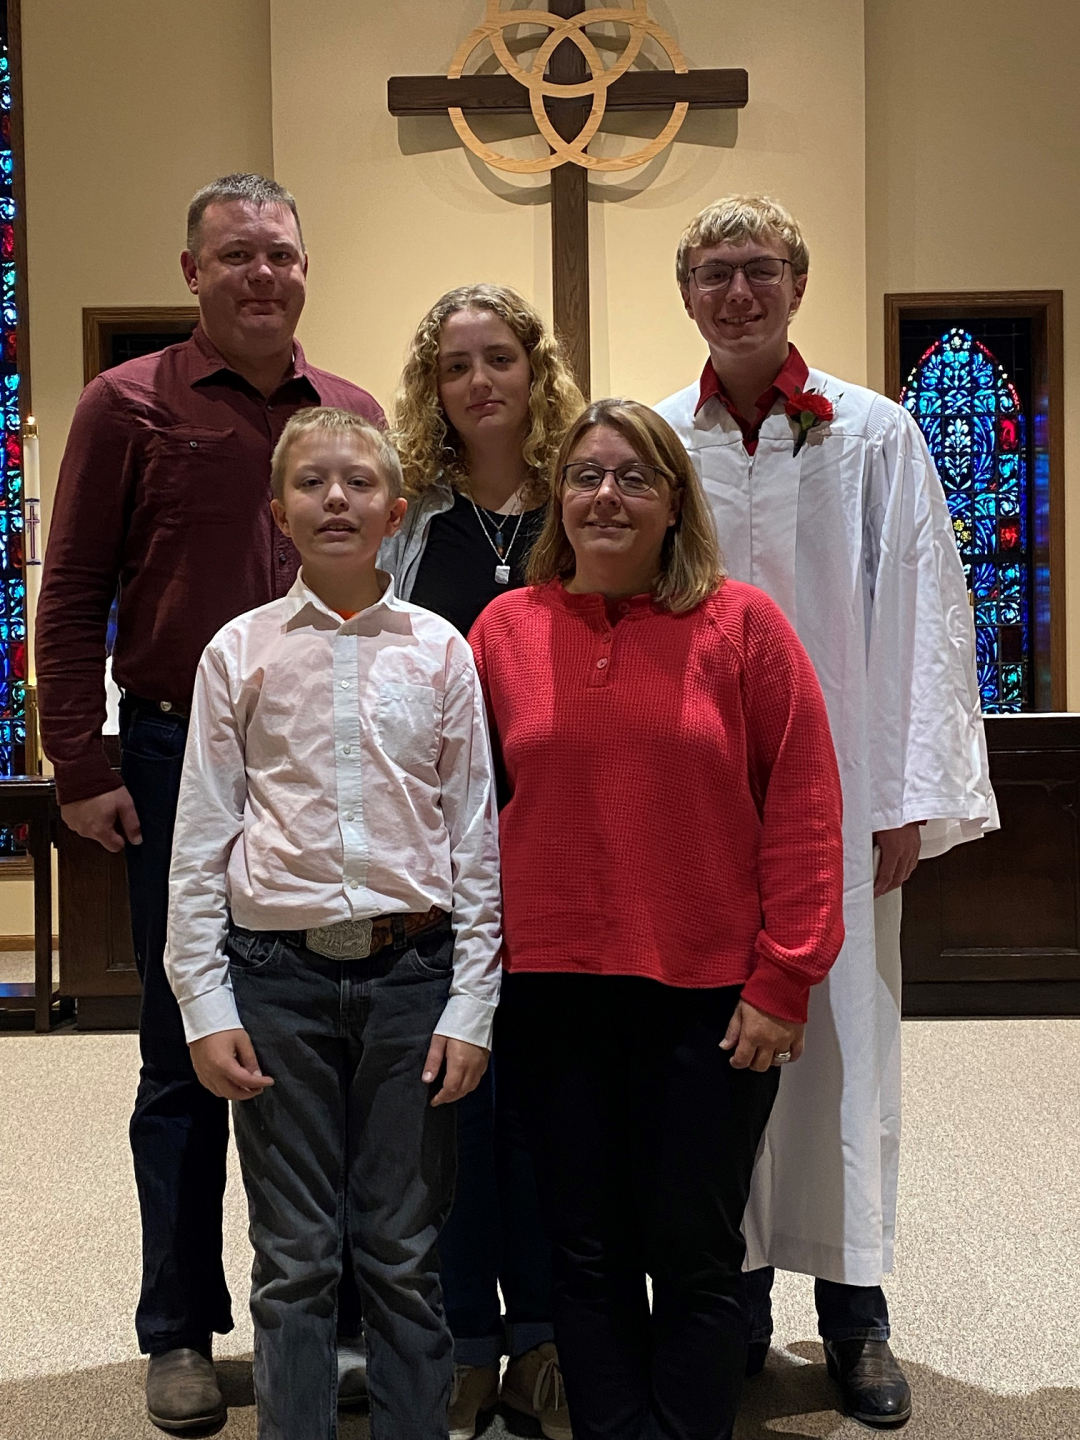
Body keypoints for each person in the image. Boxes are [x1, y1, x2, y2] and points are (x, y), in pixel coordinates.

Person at [34, 174, 383, 1431]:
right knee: (186, 1050)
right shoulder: (127, 405)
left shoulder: (348, 412)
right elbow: (72, 595)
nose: (262, 275)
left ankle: (342, 1319)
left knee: (338, 1039)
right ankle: (177, 1329)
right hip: (177, 759)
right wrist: (79, 764)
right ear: (192, 271)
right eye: (235, 254)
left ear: (305, 269)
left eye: (280, 255)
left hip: (318, 760)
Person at [656, 195, 997, 1429]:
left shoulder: (873, 432)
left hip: (839, 799)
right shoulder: (656, 436)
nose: (737, 293)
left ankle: (856, 1315)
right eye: (713, 272)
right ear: (684, 290)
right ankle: (734, 1304)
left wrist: (903, 799)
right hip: (696, 809)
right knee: (715, 1051)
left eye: (759, 270)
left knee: (843, 1045)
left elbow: (919, 615)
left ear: (797, 281)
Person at [469, 398, 847, 1440]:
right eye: (586, 475)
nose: (607, 495)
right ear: (558, 499)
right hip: (551, 990)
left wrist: (785, 978)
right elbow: (465, 813)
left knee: (691, 1249)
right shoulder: (506, 631)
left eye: (635, 477)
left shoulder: (743, 626)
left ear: (675, 502)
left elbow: (807, 803)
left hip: (710, 996)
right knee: (582, 1251)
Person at [164, 407, 501, 1440]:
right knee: (297, 1254)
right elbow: (200, 838)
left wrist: (474, 1001)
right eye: (313, 483)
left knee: (402, 1249)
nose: (337, 499)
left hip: (413, 976)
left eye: (359, 483)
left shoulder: (441, 653)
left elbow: (474, 838)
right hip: (277, 979)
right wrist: (203, 997)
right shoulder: (239, 652)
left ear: (395, 511)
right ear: (280, 515)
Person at [383, 283, 582, 1440]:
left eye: (499, 358)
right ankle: (462, 1337)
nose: (479, 382)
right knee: (452, 1101)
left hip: (562, 845)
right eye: (455, 365)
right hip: (443, 853)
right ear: (433, 386)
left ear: (534, 370)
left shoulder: (582, 500)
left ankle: (544, 1335)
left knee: (547, 1106)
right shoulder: (411, 517)